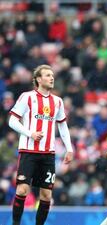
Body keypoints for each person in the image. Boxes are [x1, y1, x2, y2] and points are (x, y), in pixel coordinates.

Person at [8, 65, 74, 225]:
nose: (51, 78)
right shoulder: (27, 97)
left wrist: (69, 148)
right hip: (28, 151)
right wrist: (30, 133)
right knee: (22, 190)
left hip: (48, 154)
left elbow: (62, 126)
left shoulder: (58, 101)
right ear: (38, 79)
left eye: (52, 75)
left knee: (46, 196)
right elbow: (12, 121)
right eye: (47, 75)